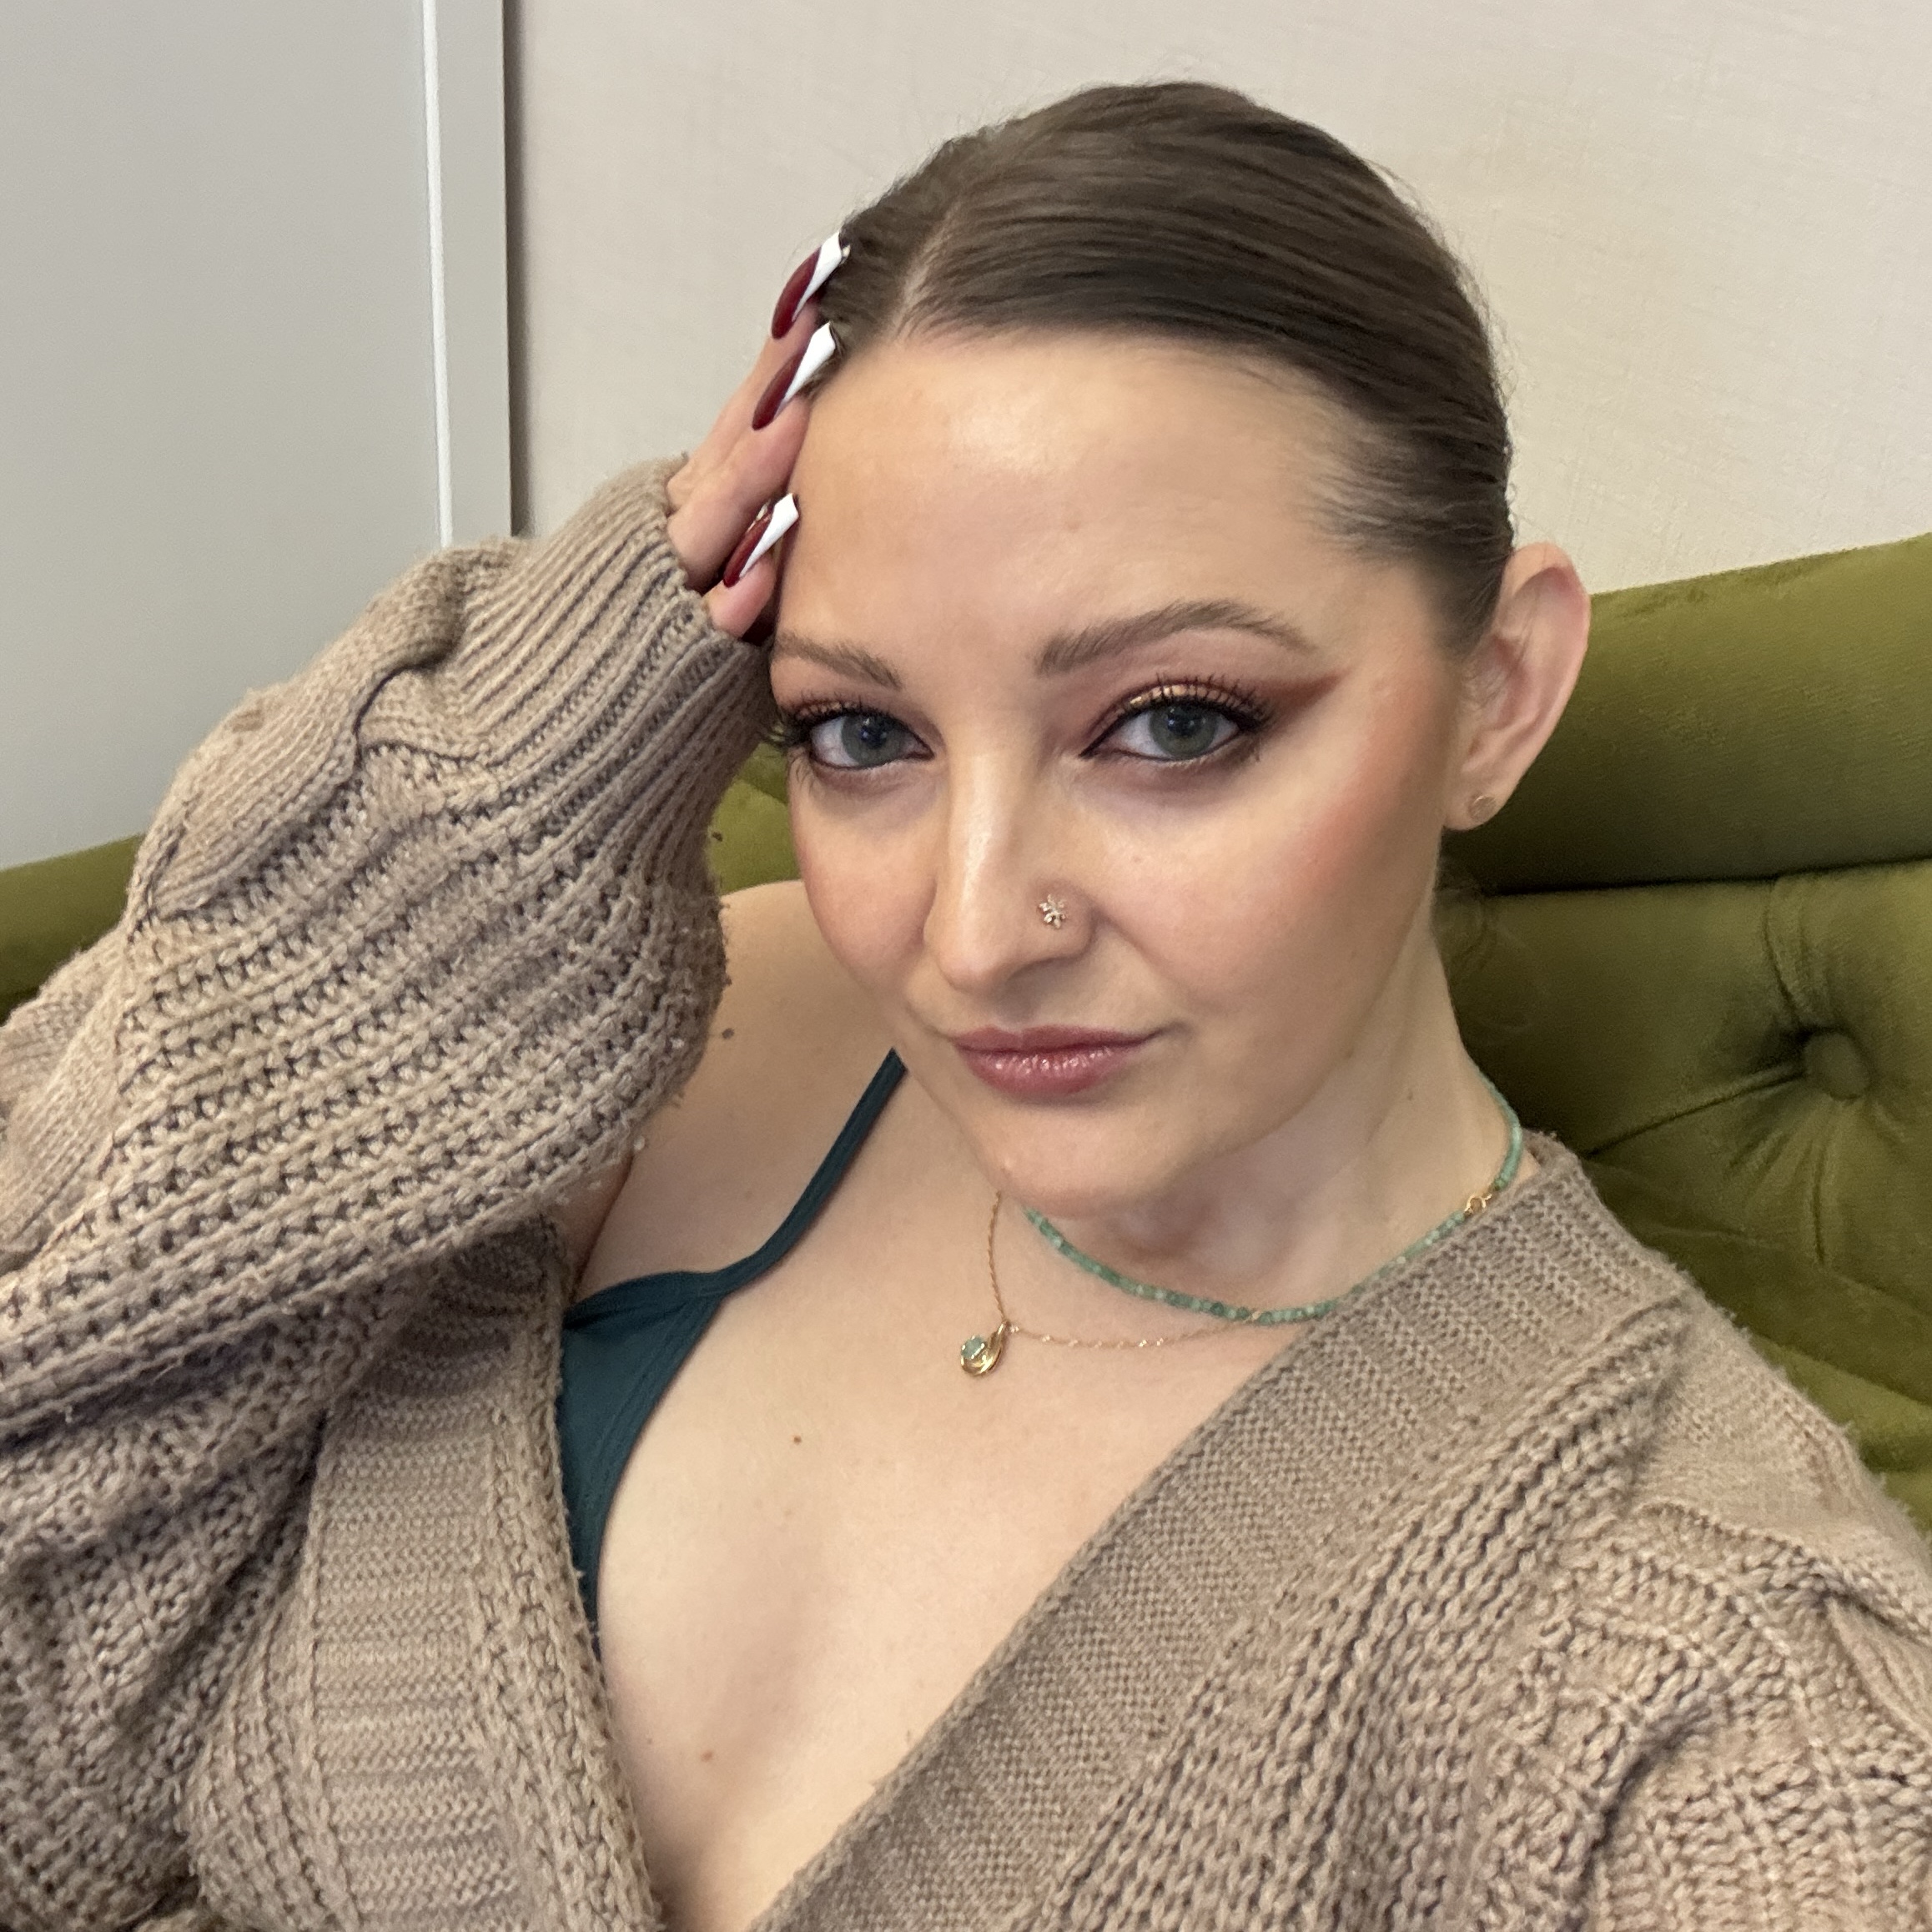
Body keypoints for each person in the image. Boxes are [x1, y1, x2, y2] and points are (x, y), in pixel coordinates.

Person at [3, 79, 1929, 1932]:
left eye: (1174, 723)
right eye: (863, 733)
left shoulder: (1694, 1656)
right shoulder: (661, 1037)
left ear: (1498, 693)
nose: (978, 931)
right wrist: (499, 784)